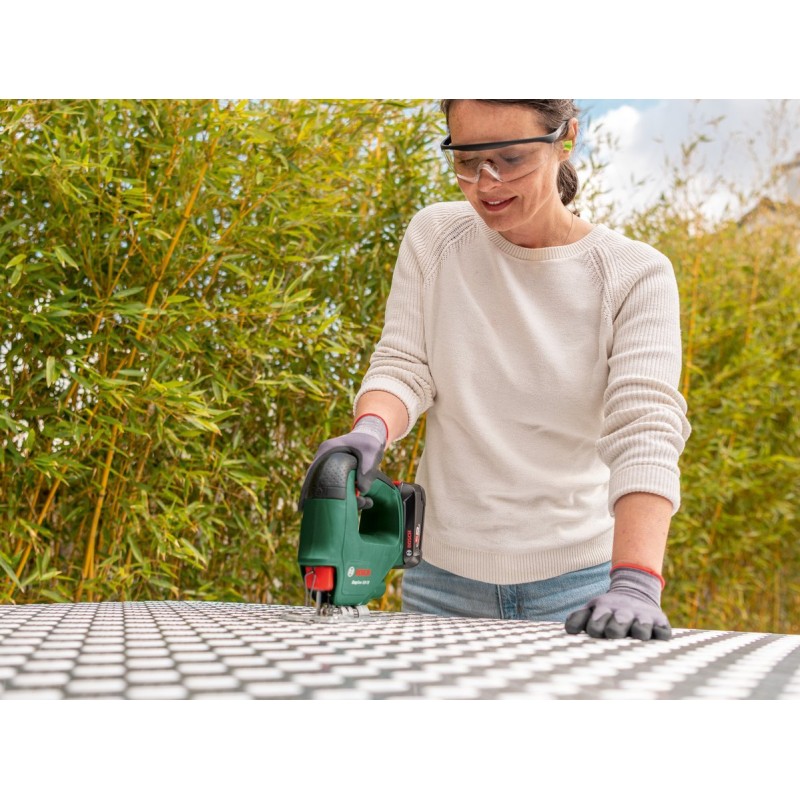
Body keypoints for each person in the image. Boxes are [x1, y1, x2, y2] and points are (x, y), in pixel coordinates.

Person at [304, 100, 691, 640]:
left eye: (510, 158)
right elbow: (405, 366)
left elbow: (644, 429)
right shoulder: (435, 237)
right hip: (441, 580)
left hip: (582, 586)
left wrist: (636, 582)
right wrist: (371, 428)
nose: (486, 183)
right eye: (467, 159)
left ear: (566, 138)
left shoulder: (634, 274)